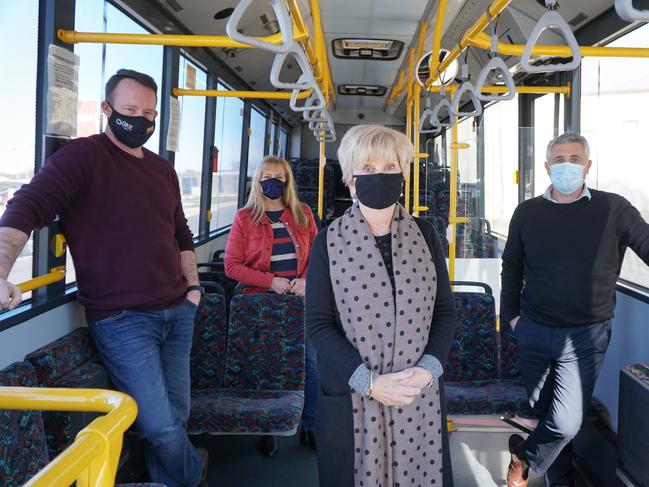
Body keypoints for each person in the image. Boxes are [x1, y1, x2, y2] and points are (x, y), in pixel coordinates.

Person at [0, 69, 208, 487]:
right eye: (130, 110)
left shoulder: (162, 169)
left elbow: (181, 233)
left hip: (178, 311)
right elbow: (27, 207)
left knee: (176, 417)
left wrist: (194, 288)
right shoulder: (82, 158)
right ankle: (196, 473)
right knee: (159, 426)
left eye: (149, 113)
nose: (141, 120)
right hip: (123, 319)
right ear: (107, 110)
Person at [305, 124, 457, 487]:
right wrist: (369, 383)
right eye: (369, 168)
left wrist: (427, 371)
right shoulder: (327, 242)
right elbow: (318, 325)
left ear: (403, 173)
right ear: (351, 178)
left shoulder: (427, 234)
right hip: (352, 395)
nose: (381, 176)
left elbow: (445, 312)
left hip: (417, 393)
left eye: (391, 167)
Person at [501, 132, 649, 487]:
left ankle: (524, 457)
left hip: (586, 333)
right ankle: (561, 479)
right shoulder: (527, 212)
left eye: (575, 159)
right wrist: (512, 318)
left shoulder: (614, 208)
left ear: (588, 166)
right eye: (560, 159)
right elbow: (512, 267)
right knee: (547, 413)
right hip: (533, 329)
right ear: (547, 166)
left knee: (567, 421)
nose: (567, 165)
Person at [224, 155, 319, 446]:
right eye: (267, 177)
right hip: (261, 303)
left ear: (287, 182)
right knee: (266, 365)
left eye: (279, 178)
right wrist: (270, 281)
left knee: (310, 363)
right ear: (258, 180)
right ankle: (268, 424)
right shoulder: (245, 218)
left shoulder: (303, 214)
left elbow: (319, 258)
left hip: (299, 300)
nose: (273, 182)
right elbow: (232, 265)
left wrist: (305, 281)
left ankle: (311, 424)